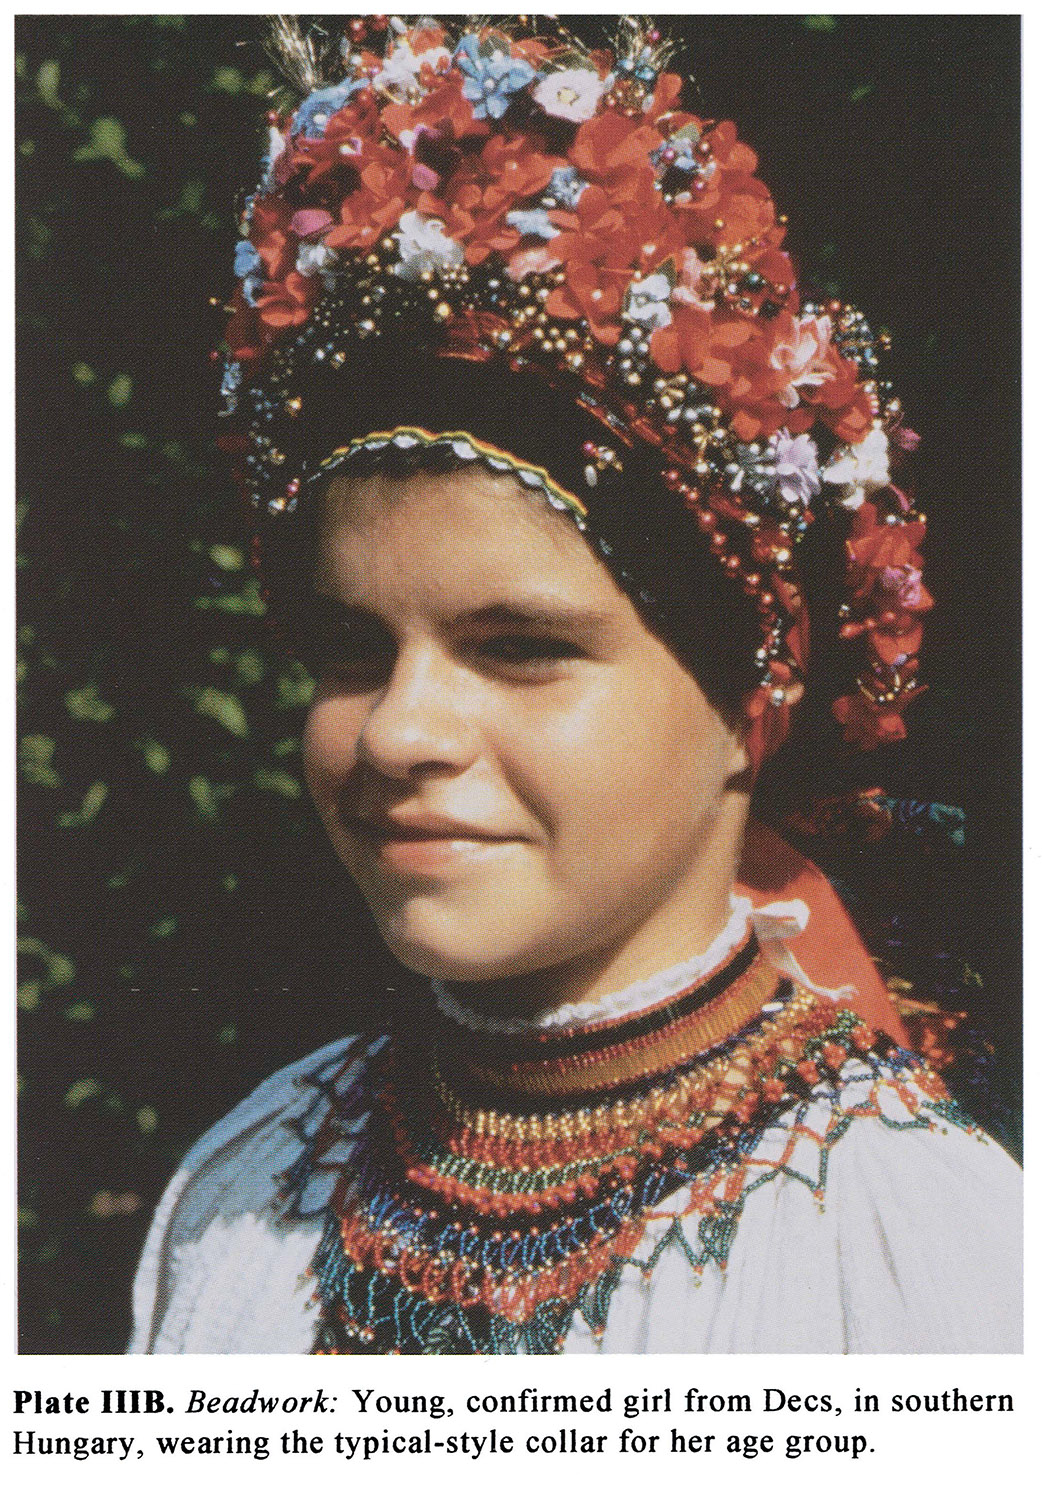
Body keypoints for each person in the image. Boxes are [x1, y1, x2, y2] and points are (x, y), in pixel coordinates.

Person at [128, 15, 1020, 1355]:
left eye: (520, 648)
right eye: (351, 652)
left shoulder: (916, 1253)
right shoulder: (242, 1198)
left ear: (752, 703)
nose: (399, 731)